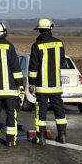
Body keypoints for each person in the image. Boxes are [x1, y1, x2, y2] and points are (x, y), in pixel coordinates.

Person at [28, 18, 68, 146]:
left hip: (42, 86)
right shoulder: (59, 43)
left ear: (39, 30)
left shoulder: (36, 45)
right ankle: (62, 135)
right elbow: (62, 62)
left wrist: (31, 83)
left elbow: (33, 66)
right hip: (56, 85)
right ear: (50, 28)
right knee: (59, 110)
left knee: (41, 111)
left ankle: (41, 138)